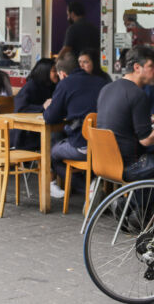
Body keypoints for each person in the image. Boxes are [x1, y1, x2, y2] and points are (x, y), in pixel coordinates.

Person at [97, 46, 154, 181]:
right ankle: (139, 201)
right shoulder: (137, 94)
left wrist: (149, 120)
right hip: (131, 165)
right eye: (151, 66)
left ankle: (137, 200)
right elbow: (146, 140)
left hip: (103, 163)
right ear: (137, 67)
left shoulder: (107, 88)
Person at [44, 52, 108, 198]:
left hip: (83, 147)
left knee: (52, 153)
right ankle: (94, 185)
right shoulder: (101, 81)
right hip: (106, 145)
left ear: (62, 74)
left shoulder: (65, 84)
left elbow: (50, 118)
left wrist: (48, 106)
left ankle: (88, 189)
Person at [12, 58, 58, 149]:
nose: (57, 73)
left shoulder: (52, 86)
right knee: (56, 139)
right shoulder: (31, 86)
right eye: (54, 71)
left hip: (43, 129)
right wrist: (42, 107)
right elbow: (20, 109)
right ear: (44, 72)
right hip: (26, 134)